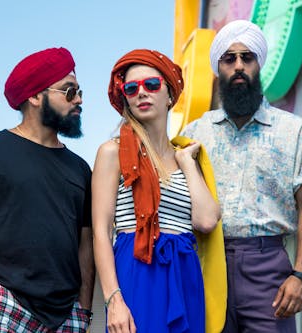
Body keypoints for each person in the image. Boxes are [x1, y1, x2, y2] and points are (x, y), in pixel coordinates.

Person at [181, 20, 302, 332]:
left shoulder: (293, 131)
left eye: (247, 58)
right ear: (217, 69)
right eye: (229, 59)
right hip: (206, 263)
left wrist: (300, 274)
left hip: (268, 270)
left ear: (258, 64)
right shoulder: (195, 133)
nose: (238, 66)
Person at [0, 47, 95, 333]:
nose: (79, 100)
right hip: (4, 304)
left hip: (66, 314)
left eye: (79, 91)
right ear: (36, 96)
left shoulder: (80, 169)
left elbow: (86, 244)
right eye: (69, 91)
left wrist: (83, 310)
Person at [92, 49, 222, 333]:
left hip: (184, 271)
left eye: (152, 85)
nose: (142, 93)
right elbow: (101, 231)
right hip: (138, 268)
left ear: (170, 95)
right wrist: (113, 298)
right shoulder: (112, 152)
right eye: (131, 88)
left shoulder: (186, 155)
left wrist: (187, 163)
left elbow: (207, 220)